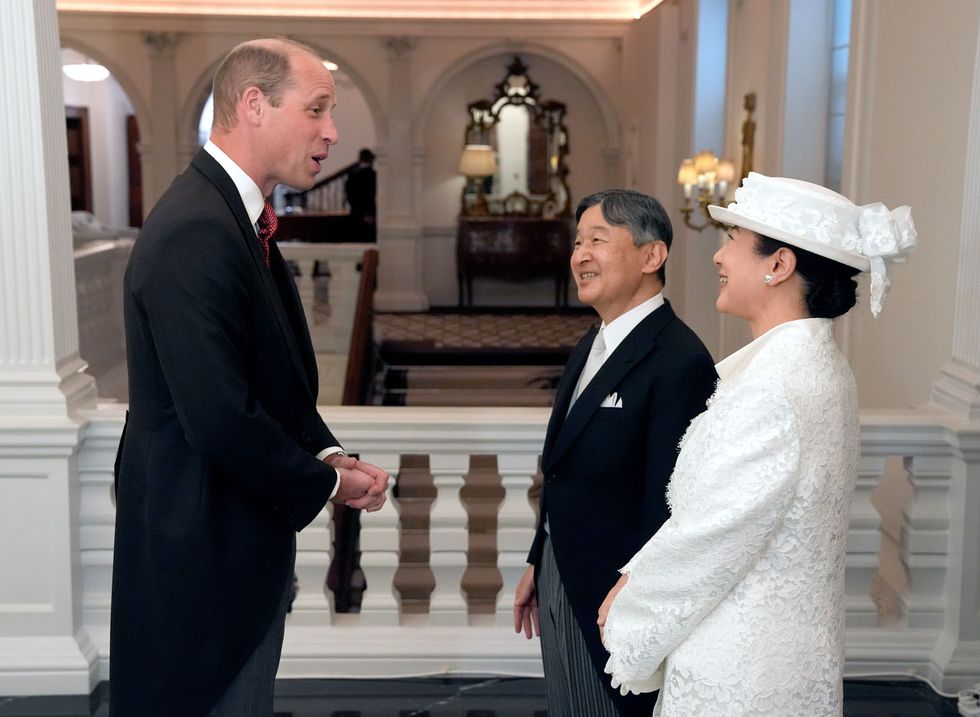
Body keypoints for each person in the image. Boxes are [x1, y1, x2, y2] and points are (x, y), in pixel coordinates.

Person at [110, 39, 389, 716]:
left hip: (231, 544)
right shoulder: (196, 230)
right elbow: (219, 417)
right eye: (318, 108)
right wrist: (325, 481)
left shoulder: (235, 218)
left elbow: (265, 379)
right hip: (203, 558)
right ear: (254, 105)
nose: (332, 131)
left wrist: (326, 450)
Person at [598, 173, 917, 716]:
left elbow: (717, 532)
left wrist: (631, 599)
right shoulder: (816, 366)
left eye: (733, 240)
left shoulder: (774, 387)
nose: (719, 257)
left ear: (778, 265)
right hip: (787, 652)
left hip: (741, 669)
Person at [513, 189, 717, 717]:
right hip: (563, 571)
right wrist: (541, 557)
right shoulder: (594, 341)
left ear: (652, 256)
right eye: (578, 242)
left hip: (616, 594)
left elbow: (670, 504)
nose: (581, 255)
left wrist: (636, 598)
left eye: (598, 240)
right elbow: (561, 467)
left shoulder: (680, 360)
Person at [345, 147, 377, 242]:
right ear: (371, 160)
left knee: (357, 239)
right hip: (369, 213)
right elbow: (370, 195)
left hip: (355, 212)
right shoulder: (373, 174)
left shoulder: (352, 175)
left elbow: (349, 194)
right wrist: (369, 213)